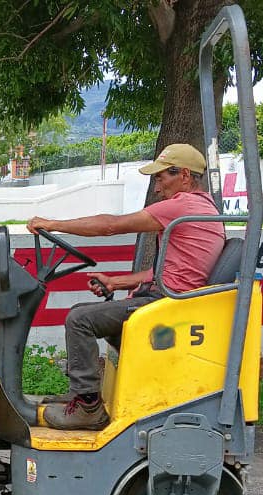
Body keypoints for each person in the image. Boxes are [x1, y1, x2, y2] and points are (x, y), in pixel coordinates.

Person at [25, 143, 226, 430]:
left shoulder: (182, 206)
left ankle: (88, 409)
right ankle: (82, 395)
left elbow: (110, 226)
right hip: (171, 299)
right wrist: (116, 281)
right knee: (84, 310)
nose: (157, 187)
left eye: (160, 178)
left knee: (79, 319)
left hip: (168, 306)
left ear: (183, 175)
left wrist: (52, 224)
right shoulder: (200, 208)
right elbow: (172, 272)